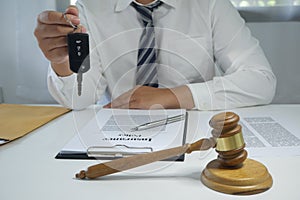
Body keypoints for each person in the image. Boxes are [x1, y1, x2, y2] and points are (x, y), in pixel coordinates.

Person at [34, 0, 276, 110]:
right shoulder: (89, 8)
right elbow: (80, 100)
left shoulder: (211, 4)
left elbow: (261, 81)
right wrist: (63, 62)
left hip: (196, 132)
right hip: (116, 132)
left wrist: (173, 96)